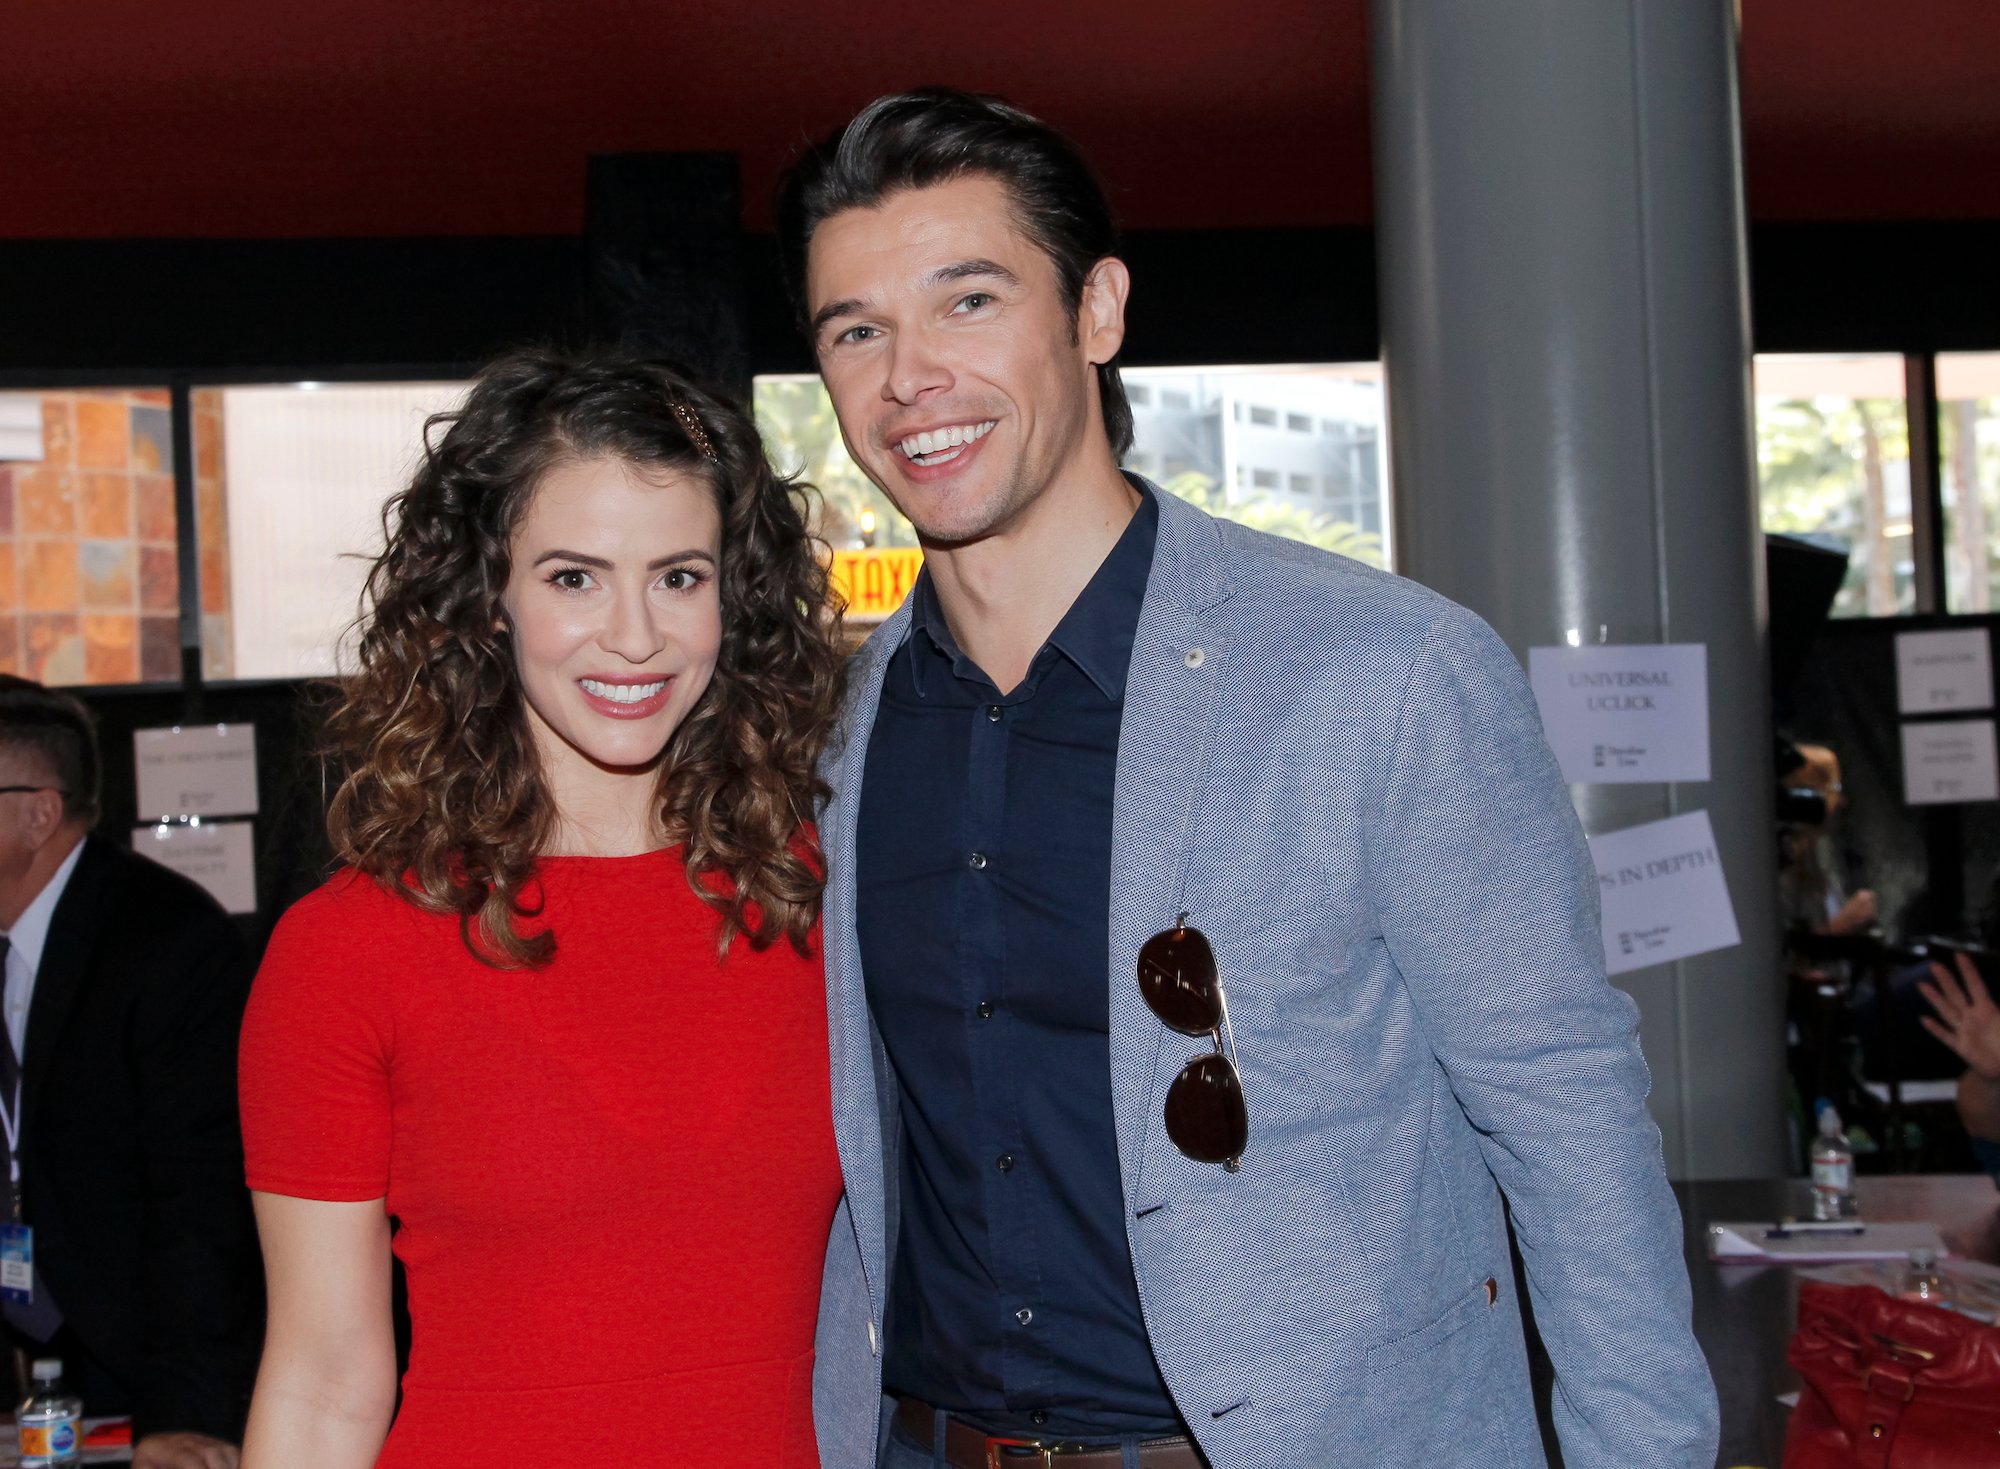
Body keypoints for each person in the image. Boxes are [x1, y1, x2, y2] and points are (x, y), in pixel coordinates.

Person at [778, 90, 1719, 1468]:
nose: (909, 375)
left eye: (967, 301)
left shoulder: (1384, 670)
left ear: (1097, 311)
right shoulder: (842, 730)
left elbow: (1565, 1110)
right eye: (854, 330)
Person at [236, 353, 846, 1469]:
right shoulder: (348, 950)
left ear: (735, 595)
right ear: (488, 596)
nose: (635, 634)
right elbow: (322, 1384)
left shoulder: (820, 902)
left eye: (679, 576)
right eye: (574, 577)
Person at [0, 676, 260, 1469]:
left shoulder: (168, 943)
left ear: (38, 812)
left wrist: (186, 1414)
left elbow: (205, 1205)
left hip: (146, 1378)